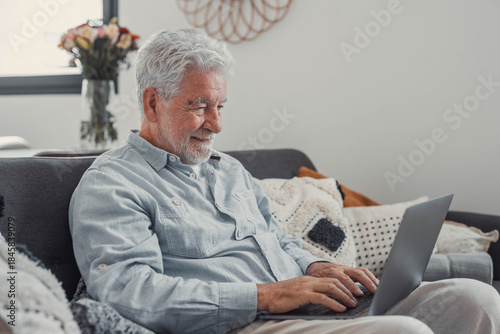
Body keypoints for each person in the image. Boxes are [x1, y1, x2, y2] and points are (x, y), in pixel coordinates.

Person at [69, 27, 500, 334]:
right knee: (403, 331)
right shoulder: (113, 185)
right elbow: (128, 292)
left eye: (221, 106)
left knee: (477, 299)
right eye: (199, 106)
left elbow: (279, 240)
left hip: (310, 308)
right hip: (247, 323)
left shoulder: (230, 171)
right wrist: (266, 296)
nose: (215, 124)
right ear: (151, 102)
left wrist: (316, 267)